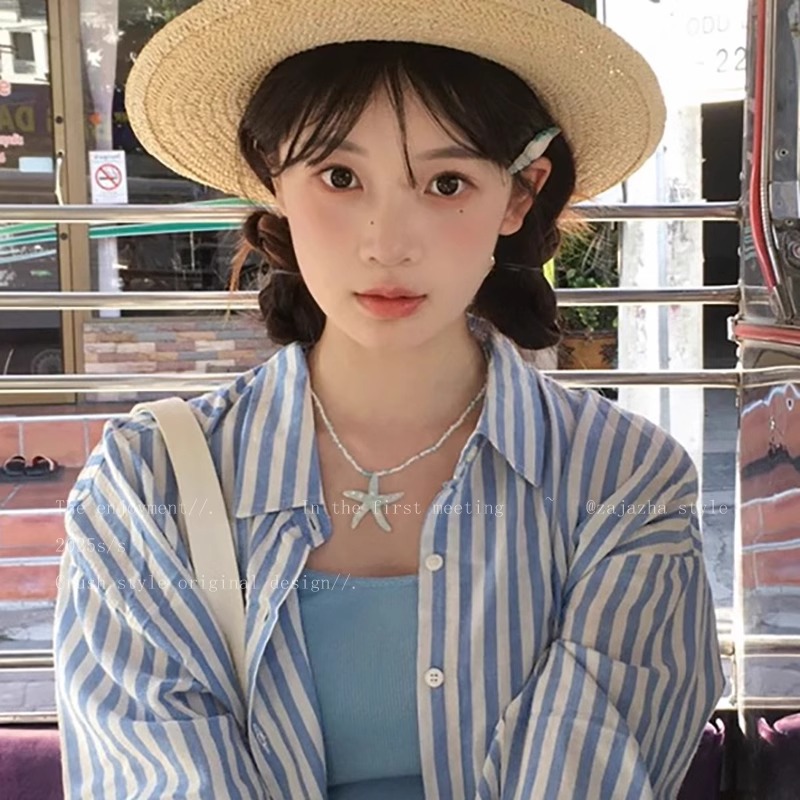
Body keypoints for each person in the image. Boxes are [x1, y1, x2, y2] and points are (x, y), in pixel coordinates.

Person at [53, 0, 726, 797]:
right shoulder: (147, 487)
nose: (387, 243)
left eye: (447, 182)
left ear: (521, 194)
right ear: (274, 177)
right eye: (339, 177)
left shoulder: (623, 481)